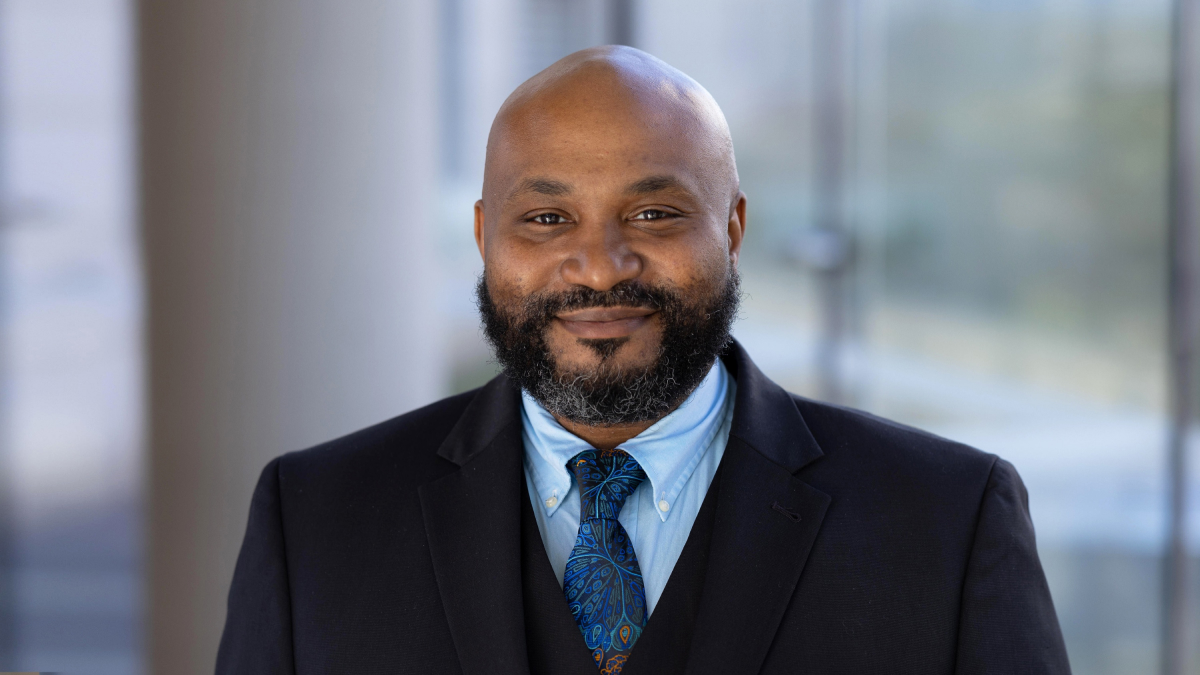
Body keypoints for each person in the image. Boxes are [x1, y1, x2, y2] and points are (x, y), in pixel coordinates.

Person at [216, 46, 1070, 675]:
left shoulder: (947, 521)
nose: (600, 265)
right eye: (547, 220)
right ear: (484, 236)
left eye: (655, 214)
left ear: (732, 230)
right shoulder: (315, 521)